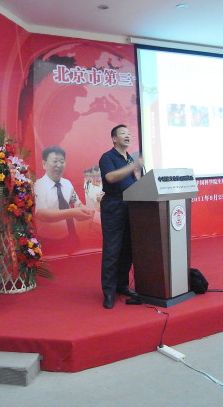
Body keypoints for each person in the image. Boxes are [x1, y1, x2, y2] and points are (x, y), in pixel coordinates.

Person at [98, 124, 143, 309]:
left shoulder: (129, 159)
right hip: (114, 206)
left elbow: (134, 183)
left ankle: (122, 286)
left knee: (128, 249)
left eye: (129, 133)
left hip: (131, 207)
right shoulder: (107, 157)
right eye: (123, 133)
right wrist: (133, 166)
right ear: (114, 138)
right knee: (112, 250)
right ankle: (108, 292)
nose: (128, 136)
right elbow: (110, 177)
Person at [34, 146, 94, 252]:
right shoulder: (38, 185)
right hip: (49, 241)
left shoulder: (67, 183)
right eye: (55, 161)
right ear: (44, 164)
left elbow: (76, 203)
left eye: (62, 162)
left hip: (71, 236)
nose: (59, 165)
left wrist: (86, 210)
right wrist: (73, 213)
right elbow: (41, 214)